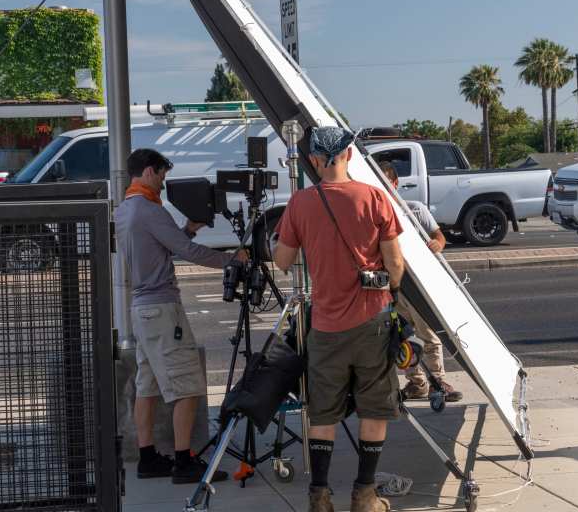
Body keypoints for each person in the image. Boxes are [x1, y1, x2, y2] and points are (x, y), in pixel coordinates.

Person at [274, 127, 405, 512]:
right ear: (349, 153)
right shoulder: (375, 197)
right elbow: (395, 265)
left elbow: (282, 261)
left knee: (323, 411)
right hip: (372, 323)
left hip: (326, 327)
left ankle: (320, 496)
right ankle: (364, 495)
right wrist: (389, 284)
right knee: (374, 408)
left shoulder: (299, 203)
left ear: (314, 159)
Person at [114, 148, 248, 485]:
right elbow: (186, 252)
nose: (162, 183)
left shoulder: (127, 209)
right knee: (188, 387)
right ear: (147, 171)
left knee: (148, 387)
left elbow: (164, 248)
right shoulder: (148, 209)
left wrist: (187, 229)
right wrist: (232, 259)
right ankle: (184, 462)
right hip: (162, 310)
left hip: (142, 309)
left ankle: (148, 459)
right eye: (160, 175)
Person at [378, 161, 463, 403]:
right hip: (392, 286)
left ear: (394, 183)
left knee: (428, 334)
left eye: (386, 182)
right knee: (401, 336)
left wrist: (437, 244)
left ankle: (437, 380)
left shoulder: (414, 209)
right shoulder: (375, 212)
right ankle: (417, 383)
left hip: (417, 285)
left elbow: (439, 236)